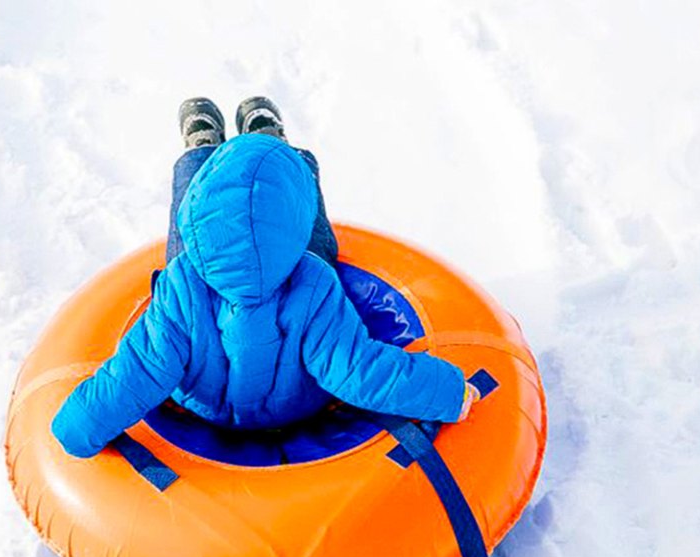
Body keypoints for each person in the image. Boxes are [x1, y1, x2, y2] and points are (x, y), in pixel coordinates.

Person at [51, 97, 480, 458]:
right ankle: (275, 145)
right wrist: (449, 391)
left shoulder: (181, 285)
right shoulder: (315, 282)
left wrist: (77, 427)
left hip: (207, 408)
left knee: (201, 231)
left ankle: (200, 150)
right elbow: (359, 369)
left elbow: (137, 370)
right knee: (298, 222)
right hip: (299, 407)